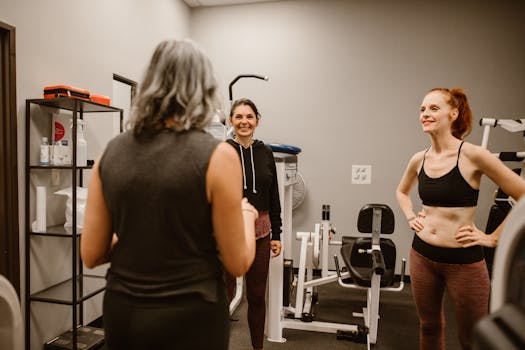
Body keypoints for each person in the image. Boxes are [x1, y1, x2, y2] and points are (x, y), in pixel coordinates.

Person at [80, 39, 257, 350]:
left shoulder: (110, 153)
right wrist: (246, 215)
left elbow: (91, 254)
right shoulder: (219, 155)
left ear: (150, 85)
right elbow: (238, 261)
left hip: (124, 312)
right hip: (191, 316)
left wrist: (140, 231)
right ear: (203, 90)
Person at [396, 87, 525, 350]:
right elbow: (401, 192)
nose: (425, 114)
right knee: (429, 327)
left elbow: (523, 195)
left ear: (453, 113)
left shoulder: (473, 155)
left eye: (433, 108)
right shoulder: (419, 159)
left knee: (471, 338)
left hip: (464, 263)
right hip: (421, 256)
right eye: (422, 109)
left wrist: (492, 238)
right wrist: (410, 216)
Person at [224, 98, 282, 350]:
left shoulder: (265, 152)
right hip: (229, 231)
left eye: (249, 117)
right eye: (238, 117)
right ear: (230, 121)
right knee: (222, 296)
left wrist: (277, 234)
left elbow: (274, 196)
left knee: (257, 295)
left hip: (261, 230)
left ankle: (257, 347)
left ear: (257, 121)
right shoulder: (223, 151)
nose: (244, 121)